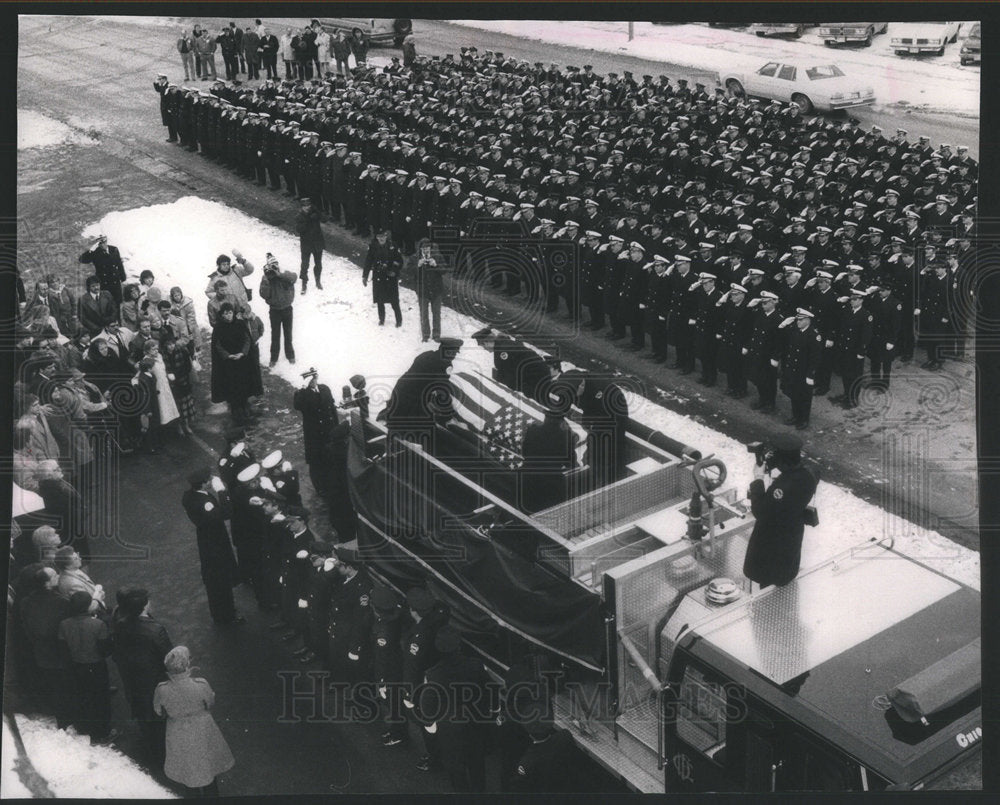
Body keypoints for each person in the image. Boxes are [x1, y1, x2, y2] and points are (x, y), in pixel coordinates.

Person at [419, 626, 494, 792]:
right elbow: (491, 690)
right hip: (475, 723)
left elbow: (428, 706)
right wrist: (491, 713)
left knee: (456, 770)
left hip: (449, 729)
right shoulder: (476, 666)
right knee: (477, 766)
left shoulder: (432, 675)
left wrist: (430, 725)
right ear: (459, 645)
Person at [153, 646, 235, 796]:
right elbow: (210, 703)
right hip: (202, 728)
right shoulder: (200, 684)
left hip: (177, 730)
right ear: (187, 665)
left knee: (187, 768)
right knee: (207, 762)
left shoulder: (161, 689)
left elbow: (159, 711)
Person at [742, 434, 818, 589]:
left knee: (769, 578)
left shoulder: (781, 488)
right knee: (786, 567)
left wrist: (758, 478)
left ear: (782, 460)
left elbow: (760, 511)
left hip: (773, 539)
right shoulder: (809, 474)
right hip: (792, 531)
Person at [111, 587, 174, 766]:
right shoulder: (155, 629)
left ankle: (153, 750)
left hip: (132, 678)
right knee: (159, 715)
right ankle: (164, 753)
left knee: (143, 714)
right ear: (144, 606)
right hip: (154, 678)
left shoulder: (120, 625)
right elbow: (167, 655)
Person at [182, 468, 243, 625]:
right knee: (220, 580)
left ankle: (221, 613)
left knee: (214, 579)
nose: (211, 480)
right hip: (215, 543)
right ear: (203, 484)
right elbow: (227, 513)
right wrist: (222, 491)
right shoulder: (205, 502)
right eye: (209, 479)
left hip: (205, 540)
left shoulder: (188, 496)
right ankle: (227, 616)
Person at [57, 591, 116, 744]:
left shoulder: (64, 624)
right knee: (100, 699)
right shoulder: (98, 624)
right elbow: (105, 650)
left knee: (83, 696)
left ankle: (84, 726)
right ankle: (102, 732)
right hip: (96, 666)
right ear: (88, 606)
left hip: (76, 666)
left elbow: (62, 648)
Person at [19, 566, 74, 728]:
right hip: (61, 653)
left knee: (53, 686)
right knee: (66, 687)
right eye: (54, 575)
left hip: (41, 653)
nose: (58, 576)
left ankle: (61, 717)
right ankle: (69, 719)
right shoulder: (62, 602)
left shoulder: (25, 602)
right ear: (48, 583)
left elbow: (27, 629)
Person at [370, 586, 409, 747]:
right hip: (397, 665)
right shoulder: (396, 615)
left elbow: (382, 658)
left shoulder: (383, 631)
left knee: (394, 705)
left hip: (390, 673)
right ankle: (396, 729)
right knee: (395, 704)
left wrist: (381, 681)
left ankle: (399, 734)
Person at [519, 408, 577, 514]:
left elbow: (525, 453)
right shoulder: (565, 436)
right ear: (561, 420)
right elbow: (571, 463)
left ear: (546, 418)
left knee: (526, 509)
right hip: (552, 480)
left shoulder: (533, 430)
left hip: (528, 475)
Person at [292, 367, 339, 497]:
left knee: (330, 459)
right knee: (316, 463)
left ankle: (332, 484)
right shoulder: (302, 394)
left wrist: (336, 427)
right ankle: (320, 488)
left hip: (329, 431)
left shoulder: (325, 388)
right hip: (315, 436)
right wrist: (303, 388)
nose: (313, 381)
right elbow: (297, 405)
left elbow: (332, 409)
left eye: (315, 377)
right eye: (310, 379)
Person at [210, 303, 256, 424]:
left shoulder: (240, 324)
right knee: (232, 386)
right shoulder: (218, 328)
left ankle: (245, 406)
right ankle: (236, 410)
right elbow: (217, 345)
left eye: (230, 312)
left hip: (242, 361)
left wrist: (242, 353)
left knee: (243, 384)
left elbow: (247, 340)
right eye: (225, 313)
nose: (228, 315)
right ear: (222, 315)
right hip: (228, 364)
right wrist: (228, 355)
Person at [258, 253, 297, 365]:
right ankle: (273, 358)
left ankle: (290, 355)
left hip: (287, 309)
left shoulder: (285, 273)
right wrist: (267, 280)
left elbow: (294, 277)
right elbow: (263, 294)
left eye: (276, 264)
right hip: (274, 310)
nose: (274, 267)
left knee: (288, 334)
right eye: (272, 265)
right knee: (275, 335)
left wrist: (279, 274)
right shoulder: (266, 278)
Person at [413, 237, 451, 343]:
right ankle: (425, 335)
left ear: (431, 248)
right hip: (422, 290)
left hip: (436, 290)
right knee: (424, 314)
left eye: (427, 247)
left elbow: (444, 270)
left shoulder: (437, 257)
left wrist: (436, 265)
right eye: (423, 248)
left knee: (436, 313)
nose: (426, 250)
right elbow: (408, 270)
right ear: (420, 249)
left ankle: (436, 334)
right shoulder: (415, 257)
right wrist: (418, 265)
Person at [363, 229, 403, 327]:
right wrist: (365, 276)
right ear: (376, 237)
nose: (381, 238)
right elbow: (368, 261)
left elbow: (399, 261)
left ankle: (399, 320)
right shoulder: (373, 247)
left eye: (383, 236)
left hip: (390, 277)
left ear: (386, 236)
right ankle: (381, 319)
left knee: (394, 301)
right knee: (380, 300)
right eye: (379, 237)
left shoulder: (393, 246)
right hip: (378, 276)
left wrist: (394, 271)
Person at [79, 234, 126, 304]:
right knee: (105, 305)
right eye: (100, 243)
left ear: (106, 240)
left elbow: (119, 264)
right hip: (104, 282)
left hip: (115, 282)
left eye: (104, 241)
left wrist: (122, 277)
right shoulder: (94, 252)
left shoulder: (114, 249)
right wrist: (91, 249)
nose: (102, 244)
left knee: (117, 304)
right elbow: (82, 259)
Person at [295, 198, 325, 293]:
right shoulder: (299, 216)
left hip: (317, 243)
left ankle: (318, 281)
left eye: (308, 205)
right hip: (306, 244)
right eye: (305, 206)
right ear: (301, 207)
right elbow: (299, 229)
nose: (307, 208)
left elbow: (325, 219)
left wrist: (317, 212)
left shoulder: (315, 213)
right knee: (304, 265)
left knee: (318, 264)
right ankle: (304, 284)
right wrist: (308, 219)